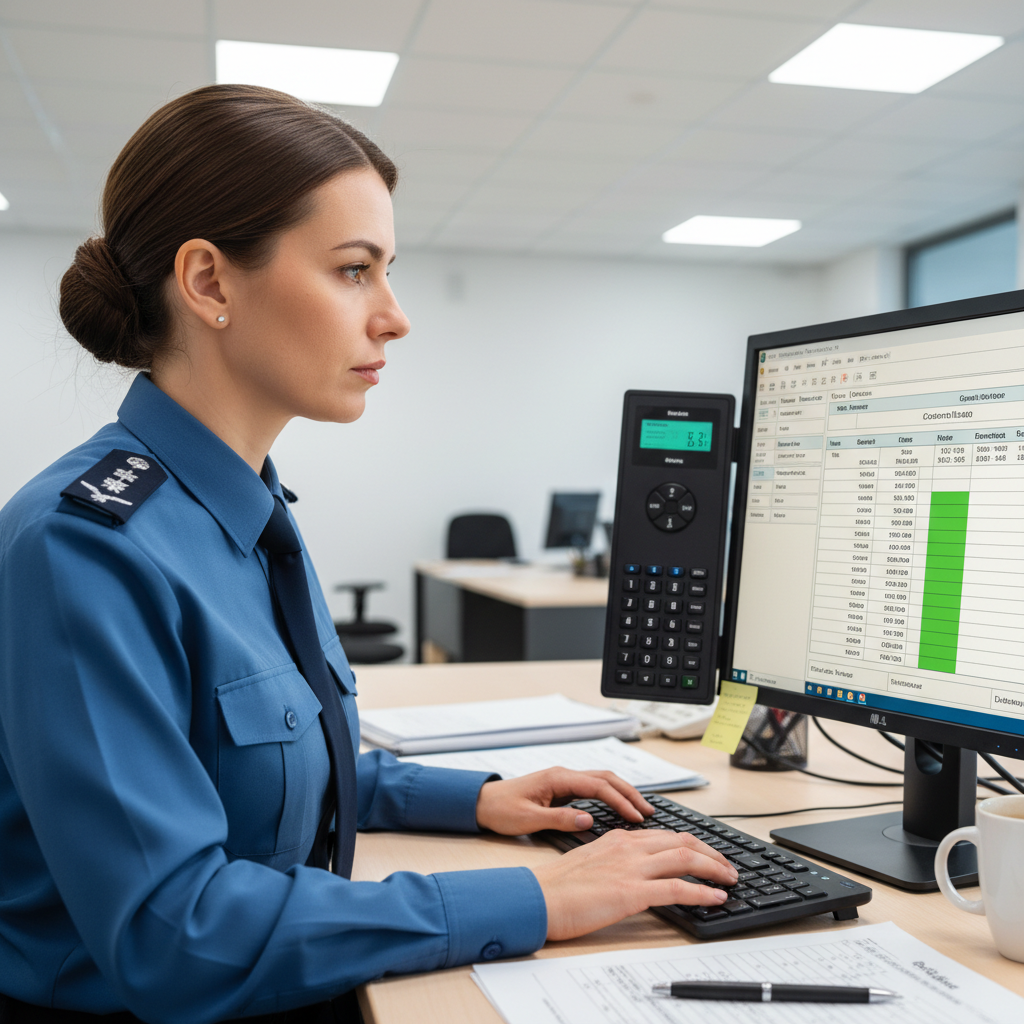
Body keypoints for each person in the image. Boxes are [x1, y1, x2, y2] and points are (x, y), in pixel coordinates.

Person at [0, 85, 737, 1024]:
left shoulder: (245, 508)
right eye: (354, 270)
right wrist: (534, 898)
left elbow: (276, 770)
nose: (394, 316)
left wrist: (480, 799)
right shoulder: (84, 548)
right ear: (210, 283)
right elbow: (171, 931)